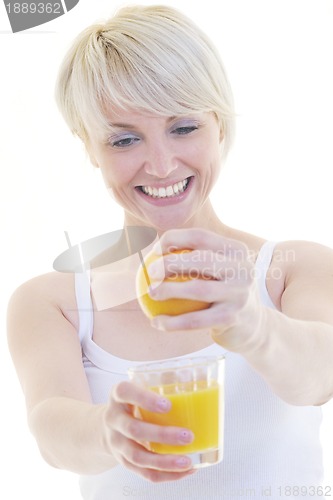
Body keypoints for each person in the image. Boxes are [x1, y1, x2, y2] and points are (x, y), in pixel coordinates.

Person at [7, 5, 333, 500]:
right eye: (123, 139)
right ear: (89, 148)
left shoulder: (293, 270)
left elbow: (318, 379)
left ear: (219, 126)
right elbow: (51, 428)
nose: (160, 165)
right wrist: (107, 431)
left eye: (183, 128)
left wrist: (253, 324)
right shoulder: (52, 302)